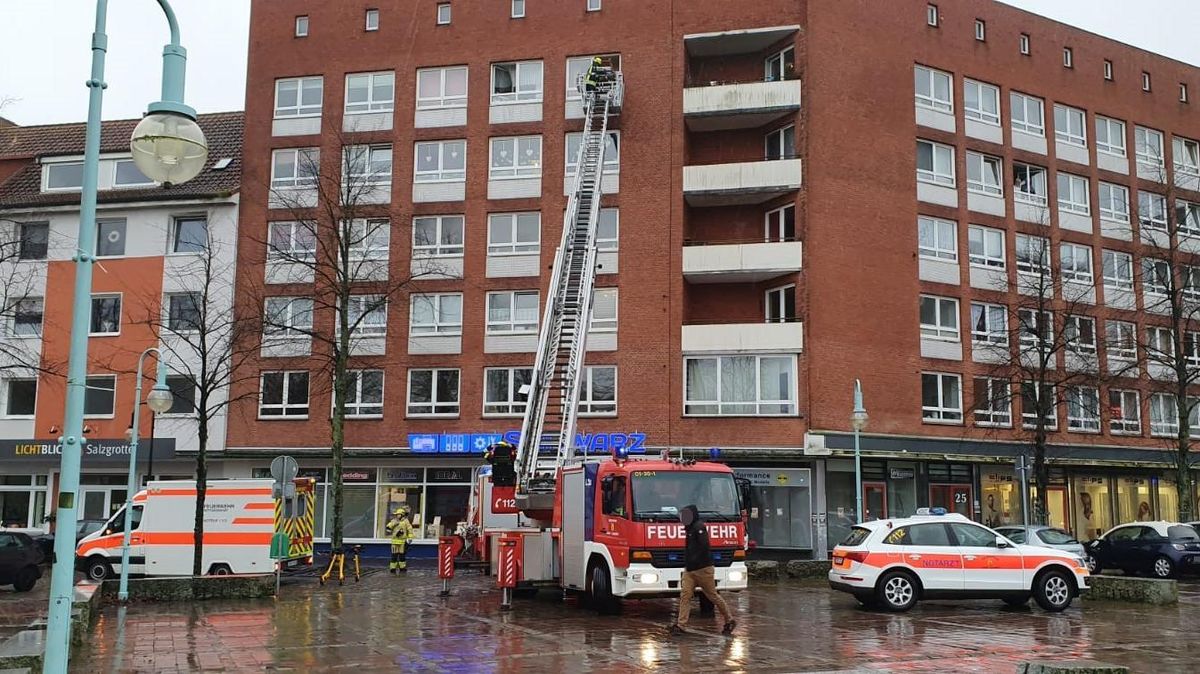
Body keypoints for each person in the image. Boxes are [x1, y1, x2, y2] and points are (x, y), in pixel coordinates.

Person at [670, 504, 736, 635]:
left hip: (703, 569)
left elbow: (704, 547)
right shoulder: (689, 529)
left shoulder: (699, 527)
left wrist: (694, 560)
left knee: (712, 596)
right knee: (685, 596)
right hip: (690, 570)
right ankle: (681, 625)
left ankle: (730, 619)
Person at [386, 505, 415, 574]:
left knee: (402, 556)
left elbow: (410, 530)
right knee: (394, 556)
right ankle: (392, 568)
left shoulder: (406, 522)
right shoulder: (394, 521)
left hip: (402, 542)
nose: (397, 516)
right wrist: (393, 525)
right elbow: (388, 528)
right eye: (396, 515)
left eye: (398, 515)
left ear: (402, 515)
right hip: (394, 542)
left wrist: (410, 538)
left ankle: (402, 568)